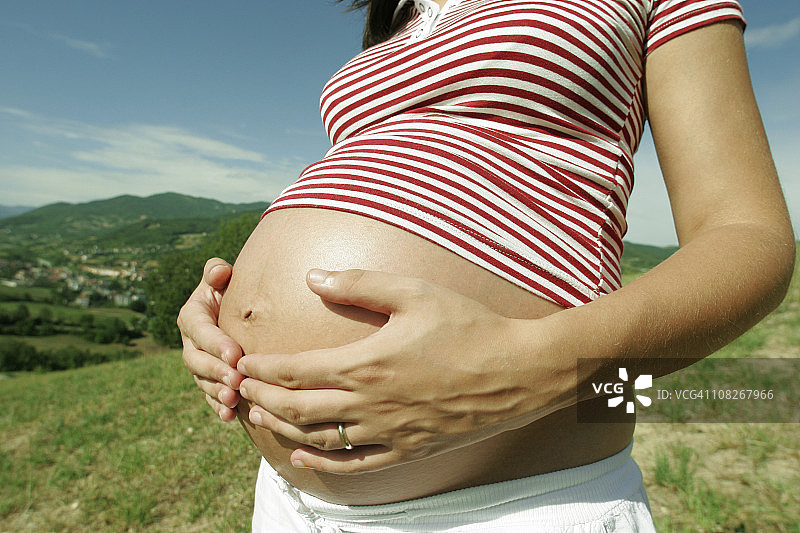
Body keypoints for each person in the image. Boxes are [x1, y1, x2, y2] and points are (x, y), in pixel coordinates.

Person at [177, 0, 795, 531]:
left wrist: (528, 365)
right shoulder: (403, 10)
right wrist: (231, 308)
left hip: (514, 505)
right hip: (286, 501)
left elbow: (747, 236)